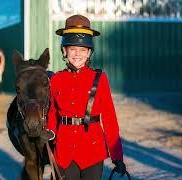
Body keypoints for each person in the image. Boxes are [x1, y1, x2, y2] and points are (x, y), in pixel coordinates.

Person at [46, 15, 127, 179]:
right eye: (73, 49)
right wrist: (50, 131)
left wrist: (117, 155)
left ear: (89, 52)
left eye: (83, 50)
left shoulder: (100, 78)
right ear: (64, 50)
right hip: (64, 151)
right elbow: (53, 112)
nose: (77, 54)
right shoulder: (56, 80)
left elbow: (110, 118)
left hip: (92, 150)